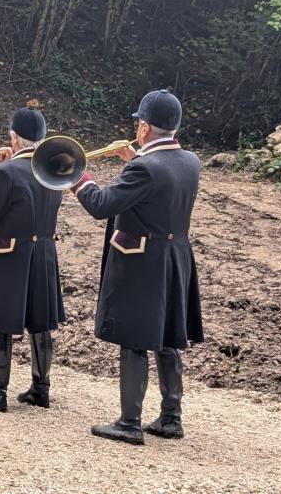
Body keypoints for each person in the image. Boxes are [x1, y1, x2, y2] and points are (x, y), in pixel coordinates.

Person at [70, 89, 204, 445]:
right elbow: (157, 185)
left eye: (138, 124)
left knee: (133, 338)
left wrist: (76, 175)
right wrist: (133, 158)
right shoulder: (190, 161)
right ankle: (171, 418)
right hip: (176, 257)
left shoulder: (144, 167)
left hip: (143, 261)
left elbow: (101, 205)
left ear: (144, 128)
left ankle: (129, 422)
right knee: (167, 337)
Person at [0, 108, 64, 412]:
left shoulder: (6, 172)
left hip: (9, 254)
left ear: (14, 137)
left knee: (1, 322)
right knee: (40, 322)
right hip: (43, 254)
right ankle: (40, 389)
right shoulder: (53, 170)